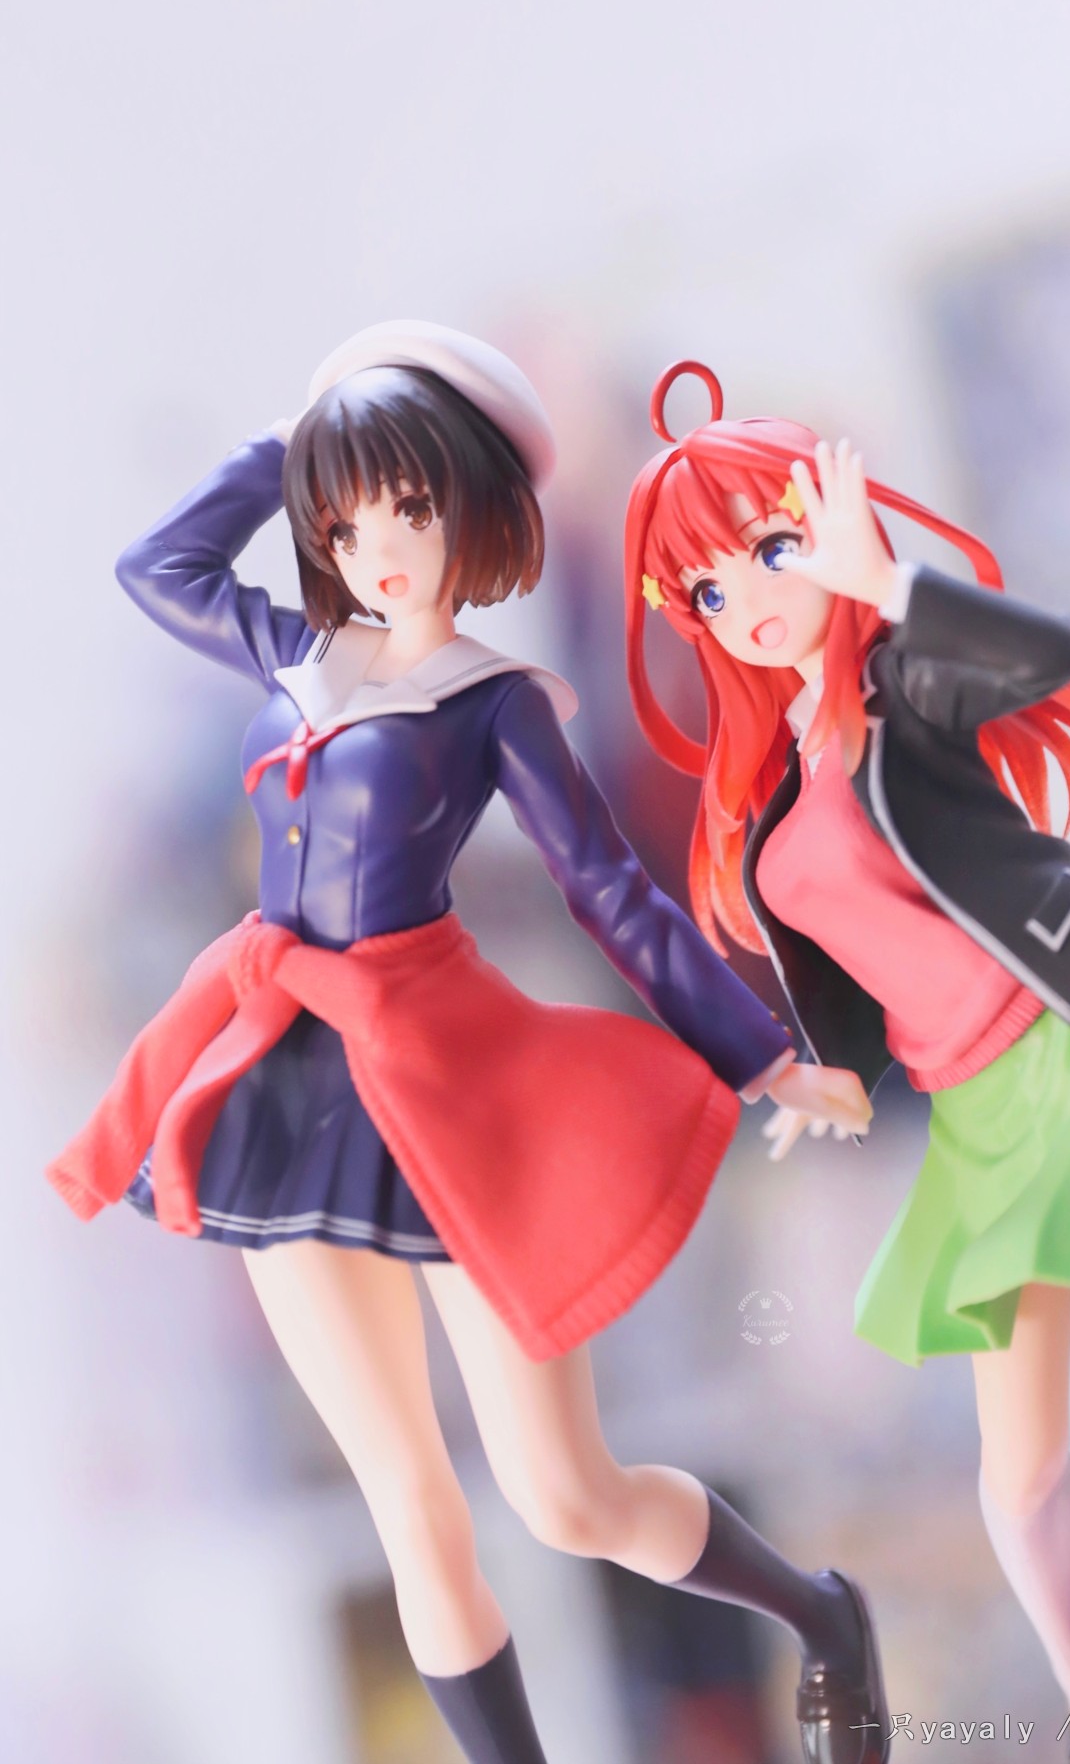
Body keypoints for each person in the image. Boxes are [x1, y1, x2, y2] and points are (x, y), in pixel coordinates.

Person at [48, 325, 888, 1764]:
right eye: (343, 520)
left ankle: (819, 1611)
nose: (377, 551)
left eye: (409, 508)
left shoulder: (494, 703)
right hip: (286, 1085)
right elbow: (159, 569)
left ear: (473, 509)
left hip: (443, 1080)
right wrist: (297, 441)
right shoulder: (297, 654)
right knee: (410, 1511)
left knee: (564, 1494)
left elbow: (610, 890)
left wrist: (759, 1054)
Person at [622, 359, 1070, 1764]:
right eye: (709, 590)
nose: (751, 600)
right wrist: (826, 1078)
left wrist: (883, 582)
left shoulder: (904, 689)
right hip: (979, 1117)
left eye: (771, 551)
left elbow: (1046, 657)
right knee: (1019, 1480)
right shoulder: (773, 784)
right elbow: (854, 970)